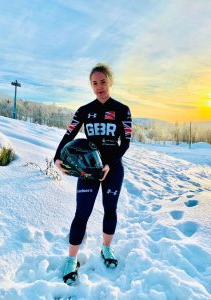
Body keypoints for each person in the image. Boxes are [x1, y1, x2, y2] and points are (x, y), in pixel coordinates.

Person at [54, 63, 132, 285]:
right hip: (88, 169)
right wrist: (57, 158)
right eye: (94, 83)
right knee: (82, 212)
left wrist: (108, 164)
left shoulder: (122, 110)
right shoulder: (84, 110)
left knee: (110, 209)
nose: (99, 87)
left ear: (110, 81)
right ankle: (71, 259)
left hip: (113, 169)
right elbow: (69, 135)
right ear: (91, 85)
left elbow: (125, 143)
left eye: (103, 82)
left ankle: (106, 248)